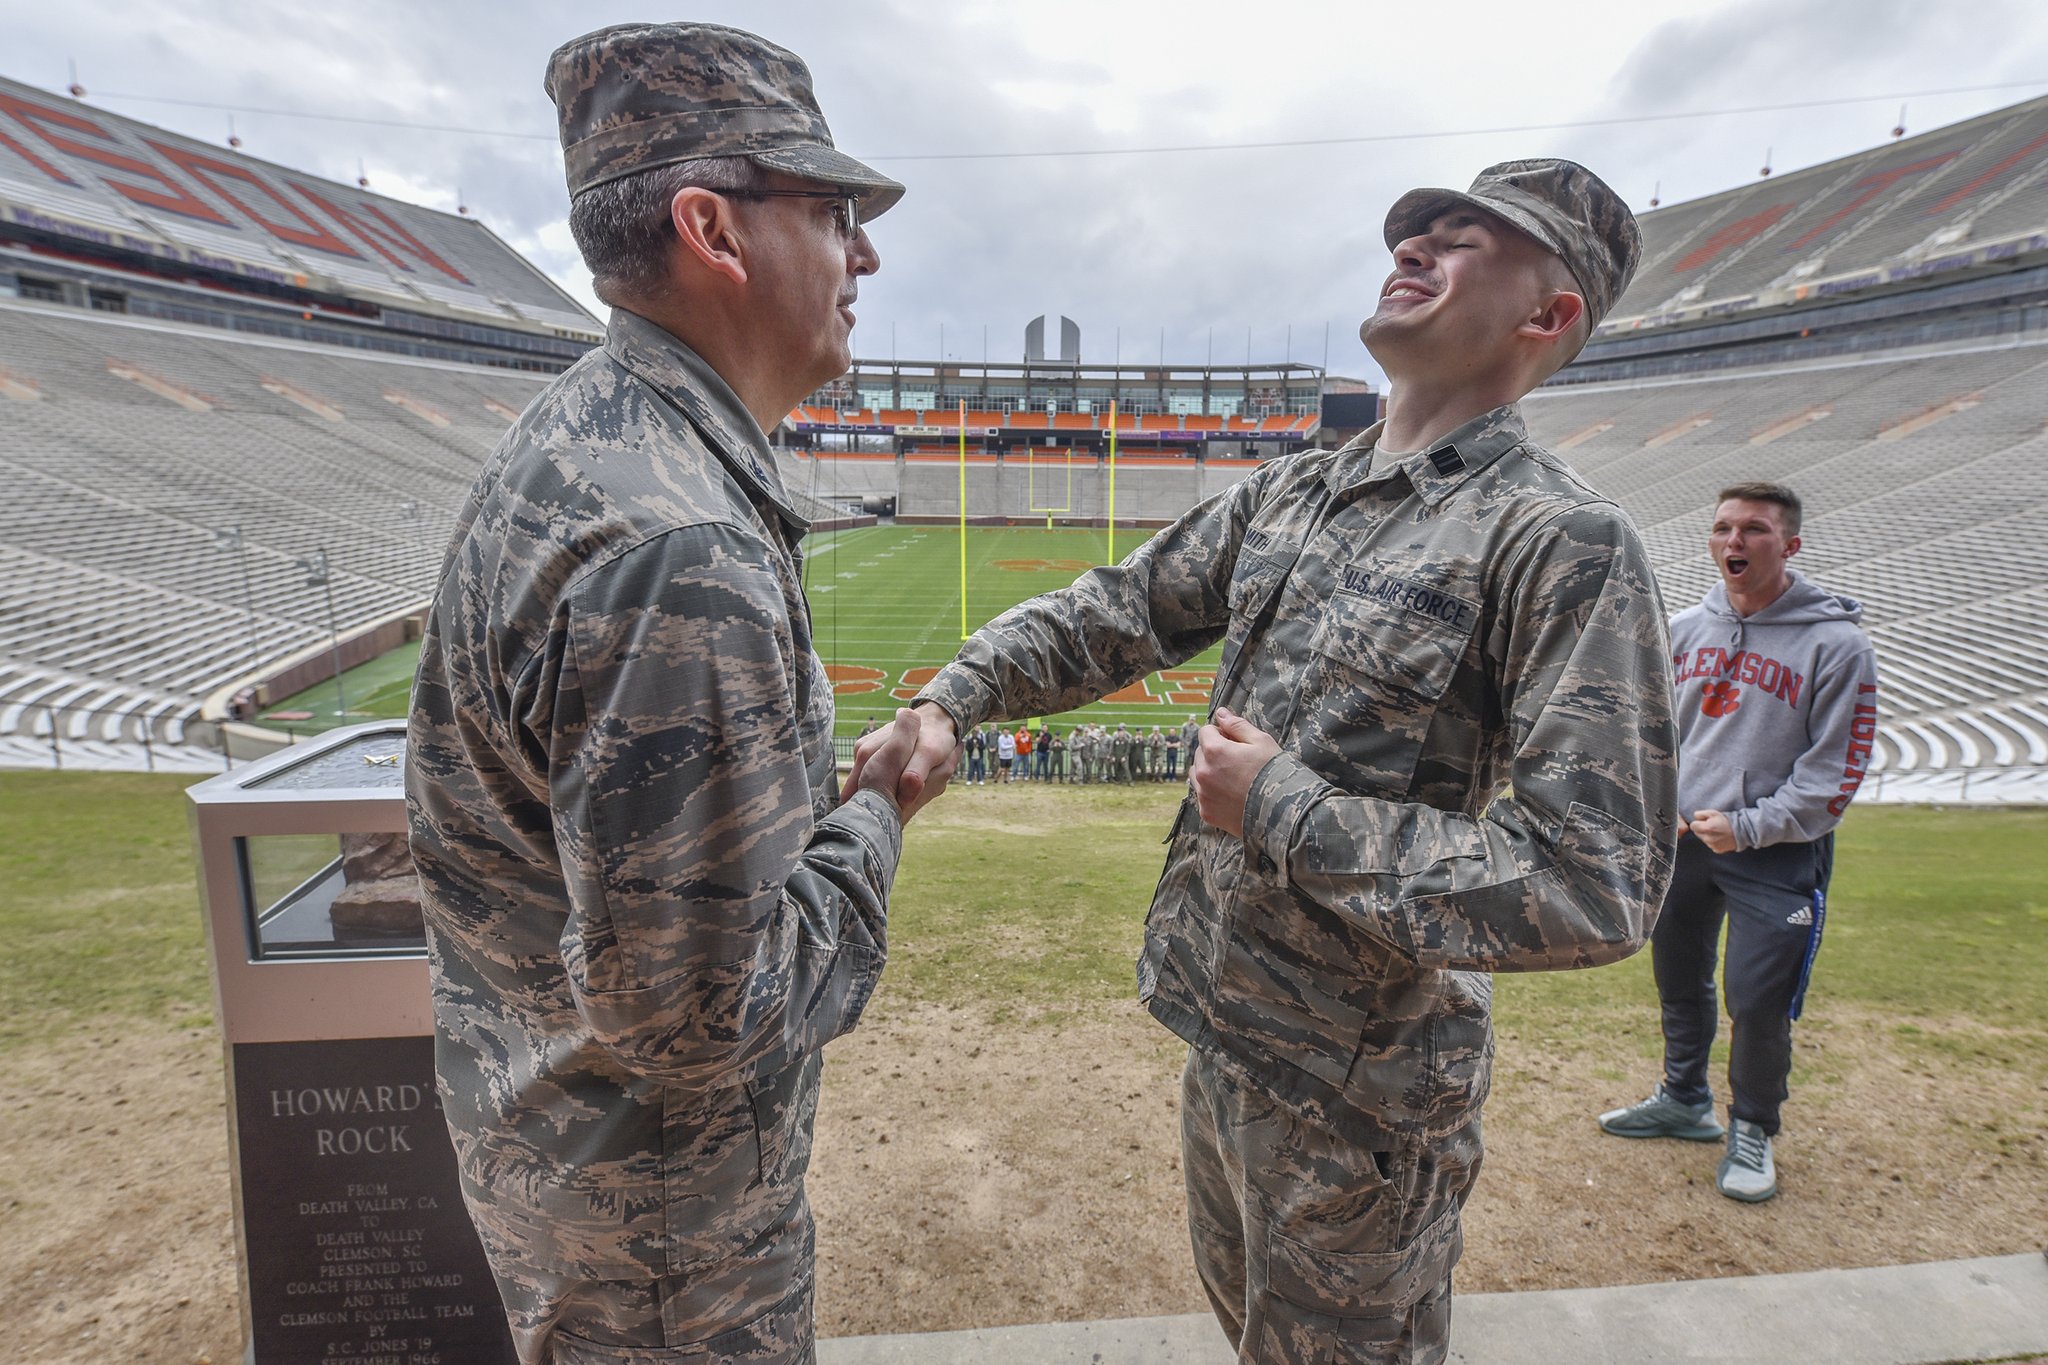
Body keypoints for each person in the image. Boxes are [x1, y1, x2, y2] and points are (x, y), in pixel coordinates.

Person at [856, 159, 1677, 1362]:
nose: (1411, 249)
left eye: (1461, 244)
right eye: (1411, 232)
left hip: (1363, 1095)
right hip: (1226, 1034)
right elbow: (1114, 612)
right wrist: (953, 700)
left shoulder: (1557, 539)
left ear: (1545, 316)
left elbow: (1589, 882)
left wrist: (1280, 807)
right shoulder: (1293, 495)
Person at [404, 23, 951, 1364]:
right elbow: (711, 1016)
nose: (864, 253)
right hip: (664, 1251)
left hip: (583, 1183)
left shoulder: (597, 439)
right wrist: (881, 807)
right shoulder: (675, 542)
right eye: (832, 212)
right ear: (714, 227)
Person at [1598, 482, 1877, 1204]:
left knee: (1758, 997)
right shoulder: (1688, 627)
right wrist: (1664, 807)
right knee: (1679, 975)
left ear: (1790, 545)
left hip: (1775, 851)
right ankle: (1682, 1096)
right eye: (1723, 527)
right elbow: (1653, 735)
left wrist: (1750, 825)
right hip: (1685, 841)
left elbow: (1836, 773)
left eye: (1754, 529)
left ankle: (1752, 1126)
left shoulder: (1837, 644)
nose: (1734, 541)